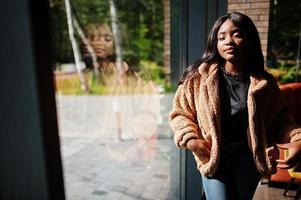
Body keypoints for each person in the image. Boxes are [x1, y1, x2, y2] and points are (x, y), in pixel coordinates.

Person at [169, 12, 301, 200]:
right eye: (221, 37)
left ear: (249, 39)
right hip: (213, 157)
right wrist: (190, 139)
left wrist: (297, 139)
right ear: (215, 43)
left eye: (236, 34)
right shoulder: (198, 78)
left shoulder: (264, 83)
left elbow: (280, 120)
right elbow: (180, 113)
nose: (228, 41)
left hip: (248, 161)